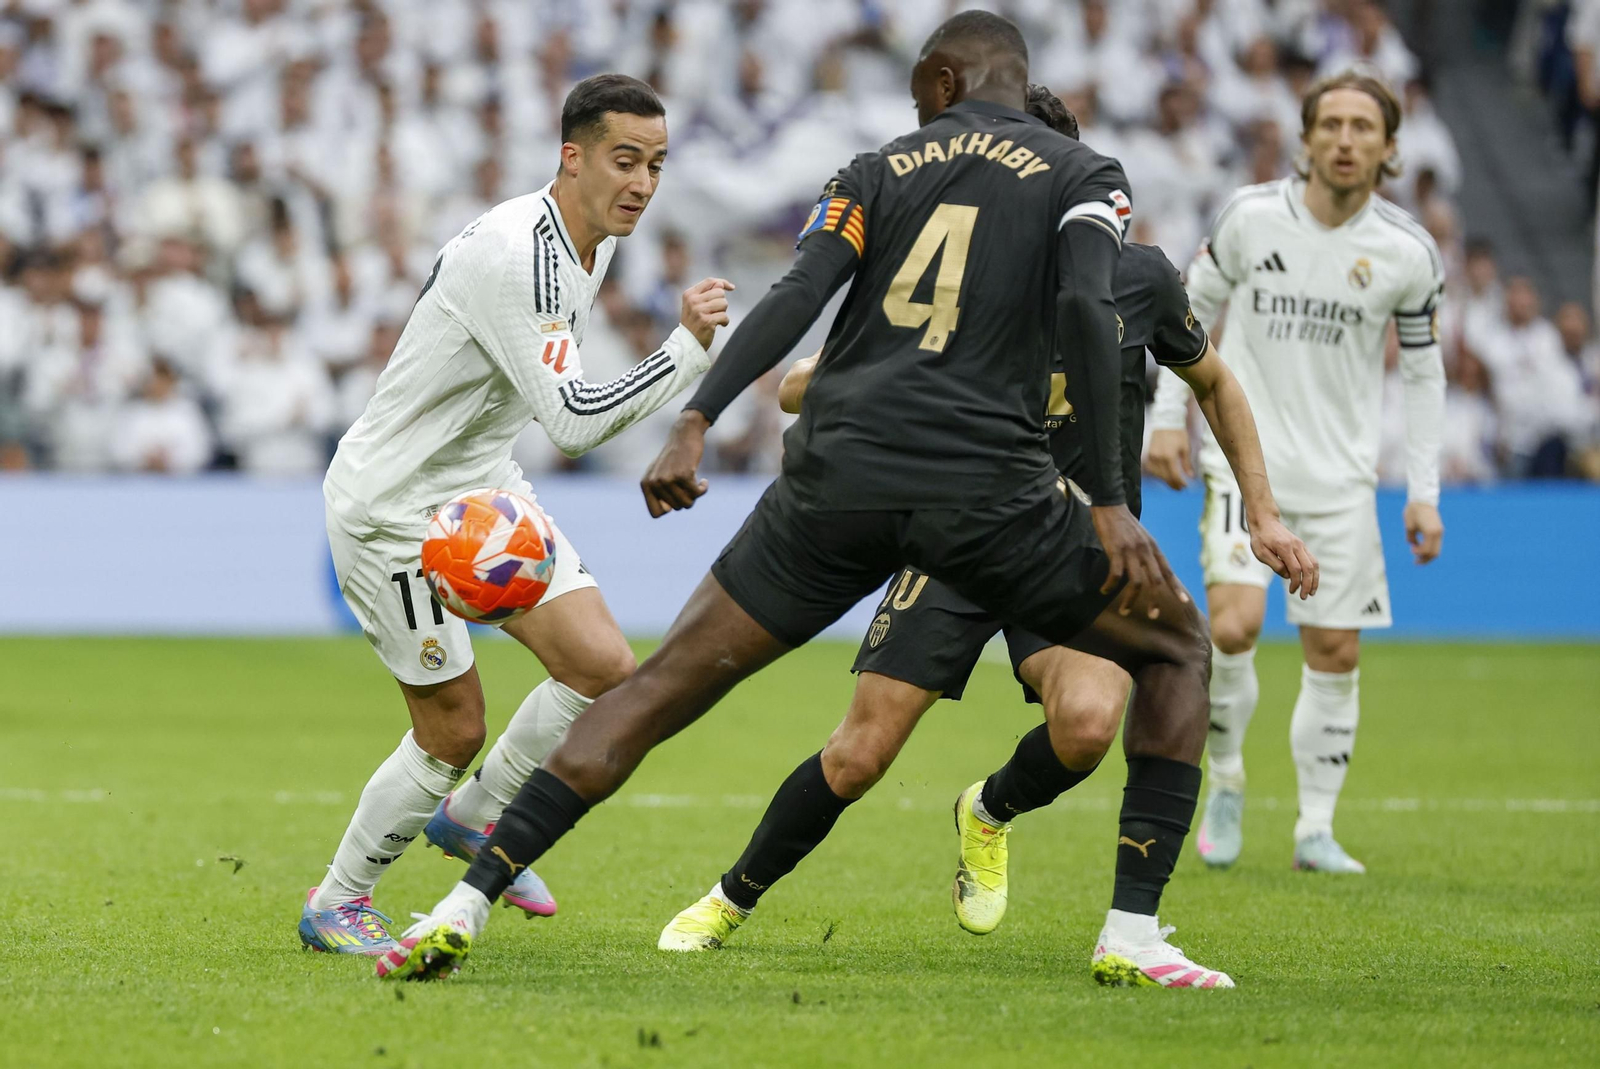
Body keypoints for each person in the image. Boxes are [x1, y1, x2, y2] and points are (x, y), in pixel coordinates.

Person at [380, 11, 1310, 988]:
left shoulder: (878, 169)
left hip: (840, 478)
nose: (919, 110)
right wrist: (1113, 502)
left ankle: (463, 900)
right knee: (1173, 649)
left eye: (920, 90)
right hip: (989, 492)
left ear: (945, 81)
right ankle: (1130, 932)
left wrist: (697, 416)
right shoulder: (1081, 181)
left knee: (659, 688)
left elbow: (794, 291)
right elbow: (1083, 304)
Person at [653, 84, 1312, 988]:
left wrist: (1264, 514)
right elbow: (800, 384)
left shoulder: (1140, 277)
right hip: (960, 532)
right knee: (859, 753)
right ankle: (730, 896)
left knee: (1085, 726)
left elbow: (1218, 386)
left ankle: (993, 812)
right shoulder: (946, 281)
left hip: (1072, 547)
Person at [299, 74, 733, 955]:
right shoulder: (518, 255)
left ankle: (476, 817)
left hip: (480, 489)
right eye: (624, 160)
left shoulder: (591, 240)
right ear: (570, 157)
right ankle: (337, 900)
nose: (643, 183)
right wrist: (685, 352)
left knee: (602, 663)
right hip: (394, 508)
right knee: (453, 726)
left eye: (655, 164)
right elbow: (572, 421)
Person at [1146, 71, 1447, 875]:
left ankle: (1315, 826)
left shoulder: (1407, 252)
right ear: (1307, 137)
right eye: (1332, 124)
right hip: (1244, 470)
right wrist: (1164, 418)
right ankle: (1229, 780)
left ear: (1388, 148)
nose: (1346, 140)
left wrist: (1424, 492)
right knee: (1236, 627)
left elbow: (1423, 373)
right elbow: (1183, 315)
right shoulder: (1249, 218)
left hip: (1342, 482)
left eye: (1364, 127)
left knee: (1336, 652)